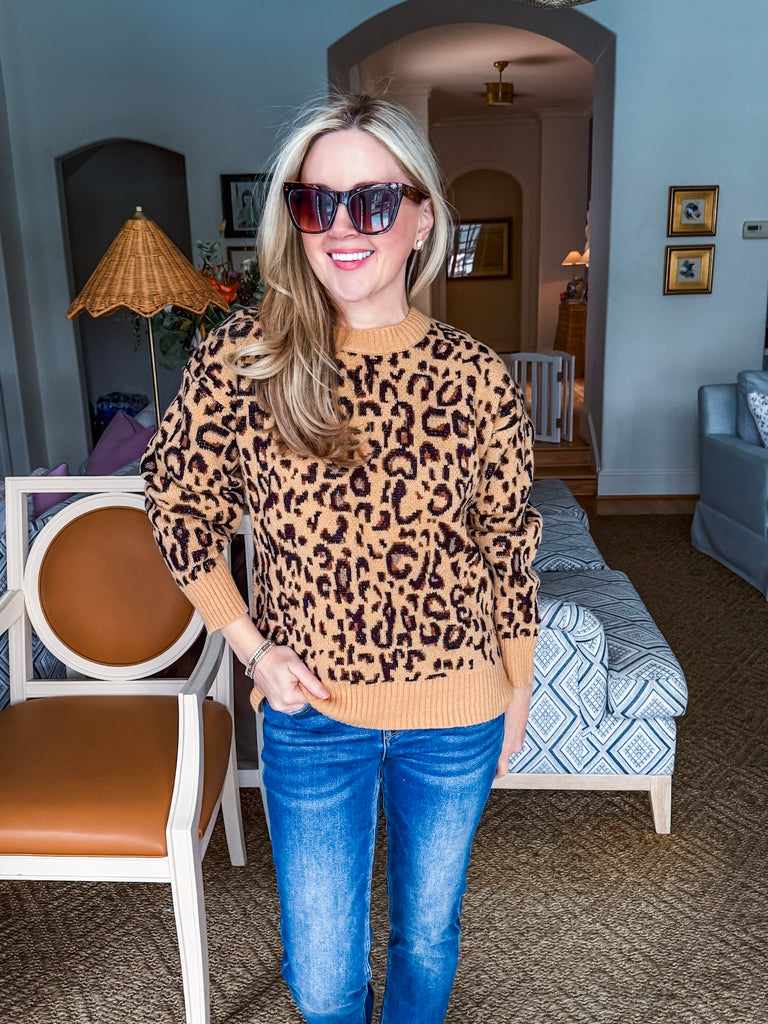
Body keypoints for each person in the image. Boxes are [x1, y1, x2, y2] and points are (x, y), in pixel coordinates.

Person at [142, 93, 541, 1024]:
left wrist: (517, 684)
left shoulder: (476, 375)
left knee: (427, 935)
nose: (343, 228)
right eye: (317, 203)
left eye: (373, 201)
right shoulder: (245, 361)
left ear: (422, 216)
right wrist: (250, 647)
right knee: (323, 979)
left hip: (458, 709)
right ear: (294, 220)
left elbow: (509, 540)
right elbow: (177, 505)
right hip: (312, 712)